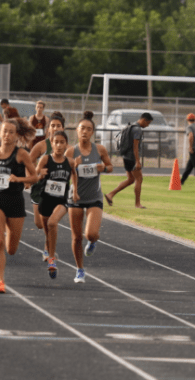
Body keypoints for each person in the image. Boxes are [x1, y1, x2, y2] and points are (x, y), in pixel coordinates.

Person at [0, 117, 37, 293]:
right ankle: (0, 282)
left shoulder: (21, 154)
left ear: (16, 135)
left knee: (11, 249)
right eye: (4, 131)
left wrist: (19, 179)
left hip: (16, 203)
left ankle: (8, 244)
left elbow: (34, 177)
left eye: (11, 132)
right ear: (0, 133)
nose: (7, 135)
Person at [66, 111, 114, 283]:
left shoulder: (99, 149)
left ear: (92, 132)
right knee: (76, 237)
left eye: (88, 129)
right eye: (82, 129)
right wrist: (73, 165)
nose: (84, 132)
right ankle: (79, 269)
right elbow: (64, 173)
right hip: (76, 198)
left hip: (94, 197)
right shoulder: (71, 151)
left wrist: (104, 168)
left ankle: (93, 241)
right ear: (77, 131)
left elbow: (110, 167)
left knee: (91, 234)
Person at [36, 131, 79, 280]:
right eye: (56, 142)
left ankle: (52, 259)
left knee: (53, 222)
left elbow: (74, 174)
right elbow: (35, 174)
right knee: (48, 232)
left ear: (66, 144)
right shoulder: (45, 159)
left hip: (61, 201)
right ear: (52, 144)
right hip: (46, 200)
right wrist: (39, 174)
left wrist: (75, 191)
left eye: (62, 142)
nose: (59, 145)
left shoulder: (70, 161)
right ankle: (49, 250)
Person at [29, 111, 65, 262]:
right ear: (48, 128)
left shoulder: (66, 146)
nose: (55, 128)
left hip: (56, 189)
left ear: (63, 128)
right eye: (53, 125)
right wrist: (33, 175)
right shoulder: (42, 145)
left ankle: (47, 247)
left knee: (50, 221)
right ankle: (48, 241)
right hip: (39, 188)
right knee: (39, 223)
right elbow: (28, 161)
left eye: (58, 125)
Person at [105, 112, 153, 208]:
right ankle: (137, 204)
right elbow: (135, 147)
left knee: (131, 179)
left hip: (126, 156)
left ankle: (110, 194)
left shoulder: (131, 126)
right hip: (132, 158)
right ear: (144, 120)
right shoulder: (137, 129)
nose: (147, 126)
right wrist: (138, 161)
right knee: (139, 179)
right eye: (148, 123)